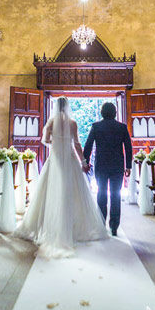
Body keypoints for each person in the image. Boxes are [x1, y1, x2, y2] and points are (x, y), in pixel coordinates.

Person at [14, 97, 108, 257]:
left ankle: (47, 226)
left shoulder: (51, 122)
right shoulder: (72, 123)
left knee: (49, 192)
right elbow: (77, 144)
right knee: (72, 192)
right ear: (67, 107)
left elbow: (45, 140)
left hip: (55, 158)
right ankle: (72, 227)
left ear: (56, 107)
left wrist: (55, 140)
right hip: (69, 159)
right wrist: (84, 161)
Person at [82, 102, 133, 237]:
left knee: (101, 193)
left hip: (101, 165)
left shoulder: (96, 127)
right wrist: (128, 166)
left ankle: (101, 223)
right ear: (115, 113)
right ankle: (114, 226)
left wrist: (85, 162)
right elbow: (128, 147)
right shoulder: (122, 127)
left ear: (102, 113)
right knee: (116, 194)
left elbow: (88, 145)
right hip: (117, 165)